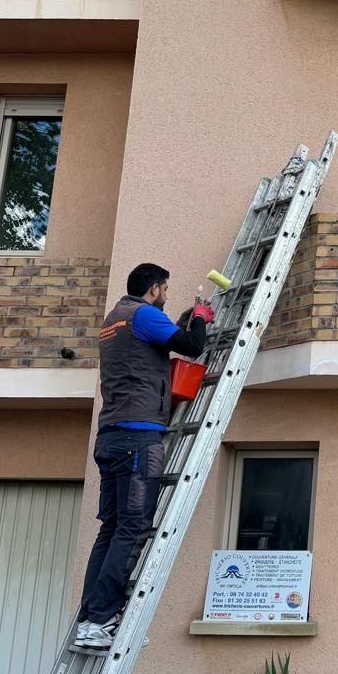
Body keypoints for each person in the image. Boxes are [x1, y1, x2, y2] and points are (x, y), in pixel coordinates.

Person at [74, 263, 213, 649]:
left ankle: (90, 617)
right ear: (153, 289)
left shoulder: (114, 319)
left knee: (112, 528)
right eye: (166, 289)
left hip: (111, 436)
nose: (166, 296)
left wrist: (184, 321)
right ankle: (102, 619)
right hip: (139, 438)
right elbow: (191, 347)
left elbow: (160, 339)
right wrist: (200, 319)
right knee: (133, 528)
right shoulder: (144, 315)